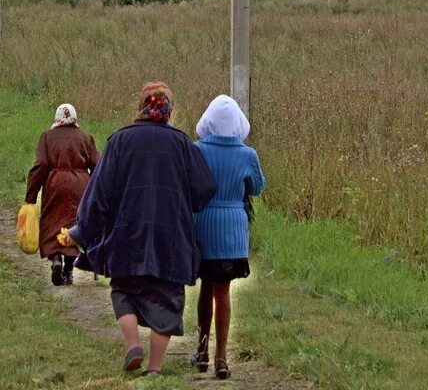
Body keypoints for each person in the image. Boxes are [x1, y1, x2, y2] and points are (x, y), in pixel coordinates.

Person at [61, 82, 216, 377]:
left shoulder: (121, 141)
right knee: (167, 299)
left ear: (141, 107)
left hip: (126, 233)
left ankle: (132, 344)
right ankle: (155, 367)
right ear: (169, 110)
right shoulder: (183, 144)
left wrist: (82, 229)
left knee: (124, 291)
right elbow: (205, 188)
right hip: (170, 236)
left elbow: (100, 193)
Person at [192, 94, 266, 380]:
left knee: (205, 287)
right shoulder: (247, 154)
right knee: (223, 292)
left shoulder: (198, 150)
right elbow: (257, 187)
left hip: (203, 223)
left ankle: (201, 350)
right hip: (233, 228)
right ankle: (222, 357)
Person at [25, 103, 99, 286]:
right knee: (75, 222)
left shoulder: (47, 137)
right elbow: (97, 165)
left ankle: (56, 258)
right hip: (81, 185)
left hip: (55, 182)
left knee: (53, 221)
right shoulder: (85, 138)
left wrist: (31, 196)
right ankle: (69, 267)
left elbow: (41, 164)